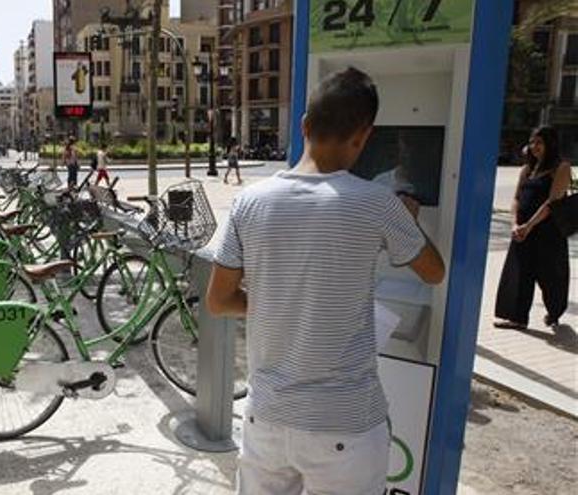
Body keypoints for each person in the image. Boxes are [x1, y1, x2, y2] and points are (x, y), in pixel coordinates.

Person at [205, 67, 445, 495]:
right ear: (364, 135)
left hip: (266, 420)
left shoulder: (249, 202)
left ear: (304, 125)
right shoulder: (379, 204)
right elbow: (434, 271)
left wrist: (276, 301)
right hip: (345, 428)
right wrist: (407, 222)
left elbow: (219, 300)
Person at [494, 126, 571, 330]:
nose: (534, 147)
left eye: (539, 142)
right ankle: (517, 318)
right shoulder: (528, 169)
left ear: (550, 144)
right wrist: (515, 225)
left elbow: (552, 203)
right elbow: (516, 199)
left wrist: (529, 225)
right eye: (532, 142)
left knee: (551, 276)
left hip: (548, 232)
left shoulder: (561, 168)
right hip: (522, 230)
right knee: (520, 272)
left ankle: (554, 312)